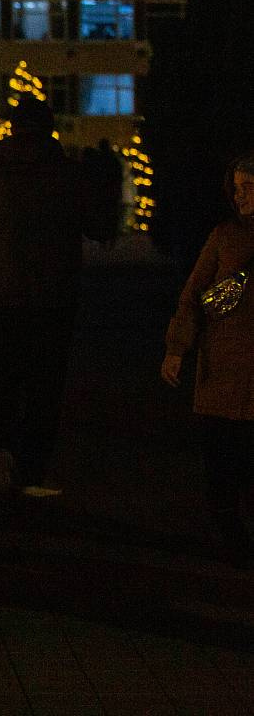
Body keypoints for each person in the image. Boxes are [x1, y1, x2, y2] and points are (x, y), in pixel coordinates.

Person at [0, 97, 109, 498]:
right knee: (45, 384)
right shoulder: (68, 174)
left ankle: (2, 452)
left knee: (1, 379)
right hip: (54, 296)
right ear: (50, 128)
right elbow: (98, 226)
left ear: (12, 128)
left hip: (0, 295)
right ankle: (33, 470)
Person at [162, 151, 254, 566]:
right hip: (221, 373)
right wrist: (176, 349)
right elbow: (195, 296)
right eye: (236, 189)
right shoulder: (223, 235)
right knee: (221, 465)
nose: (241, 197)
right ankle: (230, 540)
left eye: (249, 186)